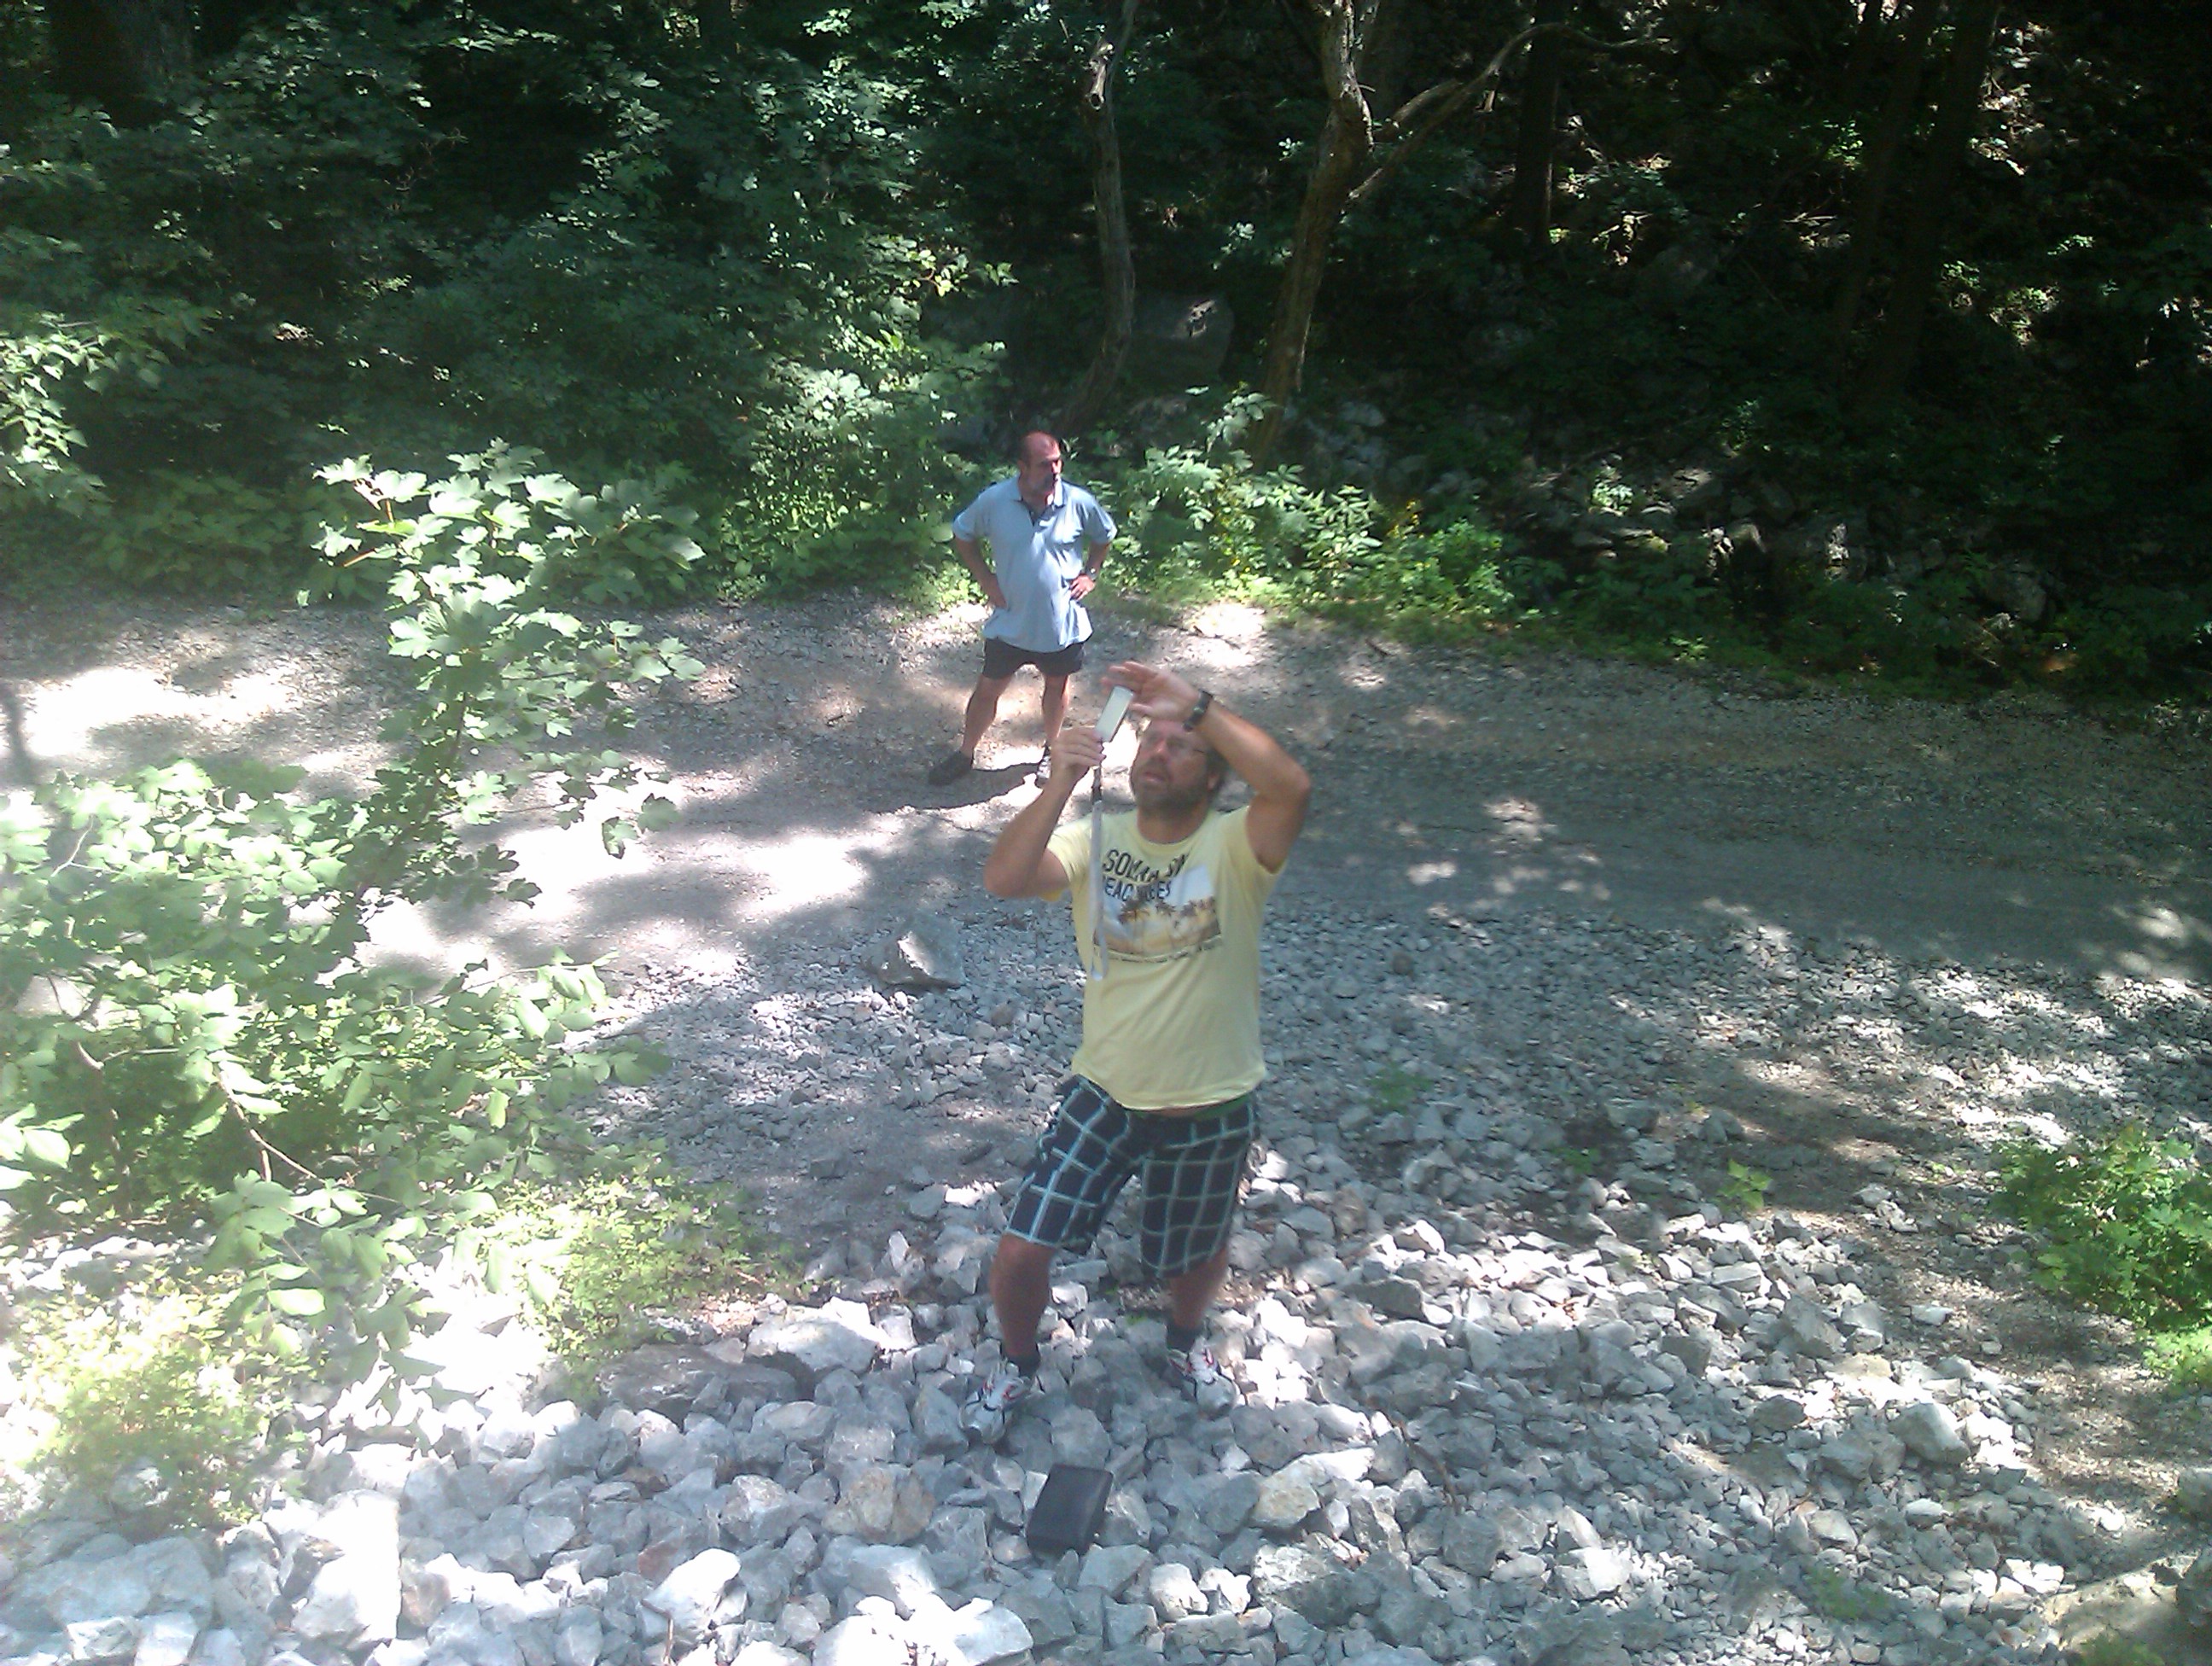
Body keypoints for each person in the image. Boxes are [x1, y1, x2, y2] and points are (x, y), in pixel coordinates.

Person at [962, 661, 1312, 1438]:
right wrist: (1059, 782)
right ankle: (1017, 1364)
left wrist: (1201, 706)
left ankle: (1185, 1344)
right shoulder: (1097, 840)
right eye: (1149, 740)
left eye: (1181, 746)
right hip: (1106, 1092)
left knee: (1196, 1249)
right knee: (1021, 1251)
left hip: (1214, 1098)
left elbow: (1290, 787)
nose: (1158, 752)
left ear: (1214, 776)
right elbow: (1004, 878)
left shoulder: (1237, 846)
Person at [927, 432, 1115, 788]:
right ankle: (965, 753)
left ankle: (1051, 750)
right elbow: (962, 534)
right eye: (1044, 465)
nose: (1054, 471)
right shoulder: (995, 501)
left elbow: (1104, 535)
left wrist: (1090, 574)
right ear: (1022, 467)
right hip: (1010, 620)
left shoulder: (1077, 502)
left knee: (1057, 686)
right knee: (988, 688)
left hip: (1059, 623)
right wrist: (985, 578)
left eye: (1057, 462)